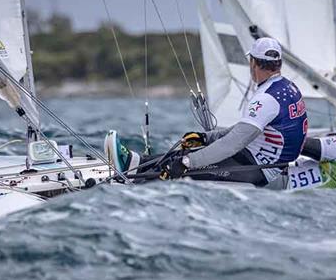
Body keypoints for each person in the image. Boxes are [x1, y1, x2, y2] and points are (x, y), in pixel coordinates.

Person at [104, 37, 308, 186]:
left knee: (180, 164)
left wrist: (186, 163)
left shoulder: (266, 99)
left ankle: (128, 182)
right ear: (278, 63)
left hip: (257, 170)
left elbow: (232, 144)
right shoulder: (288, 87)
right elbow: (246, 131)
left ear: (253, 63)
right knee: (184, 153)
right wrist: (206, 137)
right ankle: (135, 162)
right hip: (257, 159)